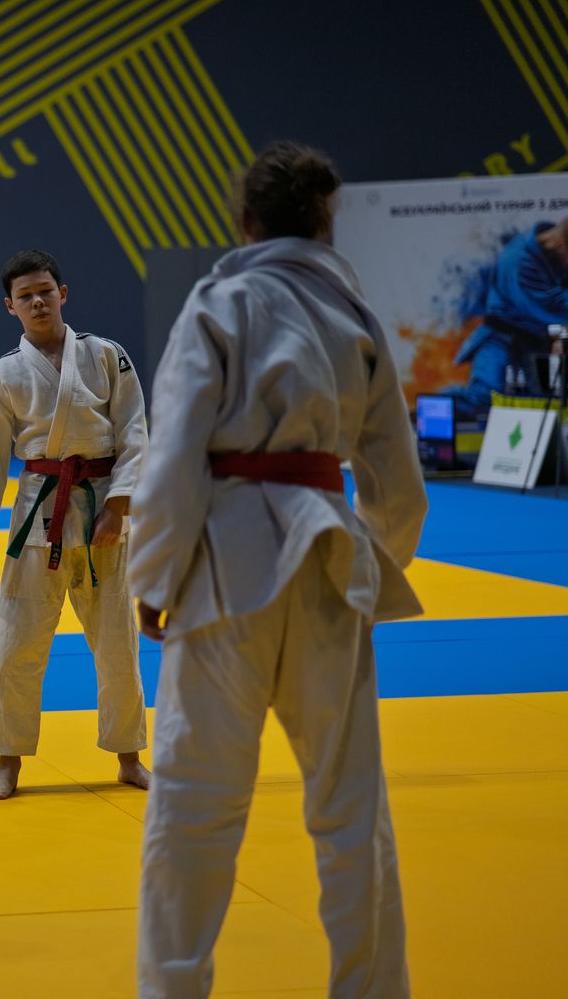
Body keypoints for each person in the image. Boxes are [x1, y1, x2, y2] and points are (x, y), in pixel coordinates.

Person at [129, 142, 427, 998]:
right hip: (330, 561)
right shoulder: (355, 317)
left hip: (226, 568)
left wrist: (154, 578)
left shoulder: (220, 301)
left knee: (193, 807)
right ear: (326, 223)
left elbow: (174, 458)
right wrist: (371, 563)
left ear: (246, 222)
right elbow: (397, 480)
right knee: (352, 810)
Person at [0, 249, 150, 800]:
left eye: (45, 291)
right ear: (9, 306)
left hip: (104, 507)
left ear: (63, 293)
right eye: (25, 296)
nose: (37, 301)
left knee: (117, 642)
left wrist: (119, 506)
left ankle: (129, 757)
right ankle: (7, 763)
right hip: (38, 513)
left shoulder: (106, 355)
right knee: (16, 642)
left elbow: (134, 431)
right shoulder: (4, 373)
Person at [449, 215, 568, 419]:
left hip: (532, 339)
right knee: (483, 397)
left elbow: (563, 282)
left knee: (544, 404)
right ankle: (429, 410)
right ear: (561, 242)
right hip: (499, 335)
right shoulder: (521, 260)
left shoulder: (550, 252)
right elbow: (548, 303)